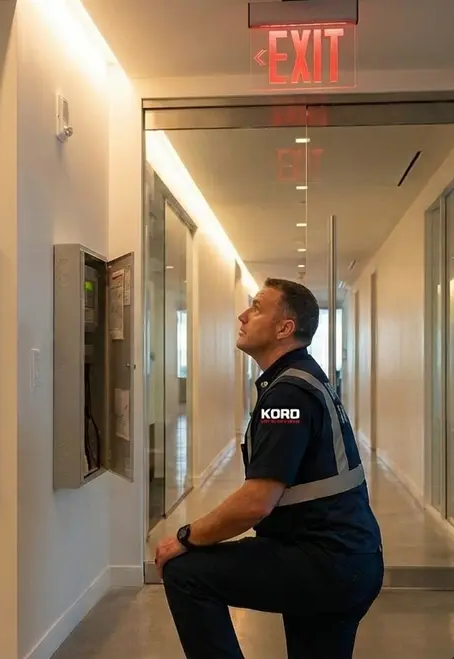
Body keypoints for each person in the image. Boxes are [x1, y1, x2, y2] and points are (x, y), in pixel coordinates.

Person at [154, 277, 384, 659]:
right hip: (347, 559)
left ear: (284, 328)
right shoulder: (301, 378)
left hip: (324, 562)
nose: (242, 315)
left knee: (186, 572)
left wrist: (185, 537)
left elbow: (255, 503)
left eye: (256, 307)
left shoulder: (289, 393)